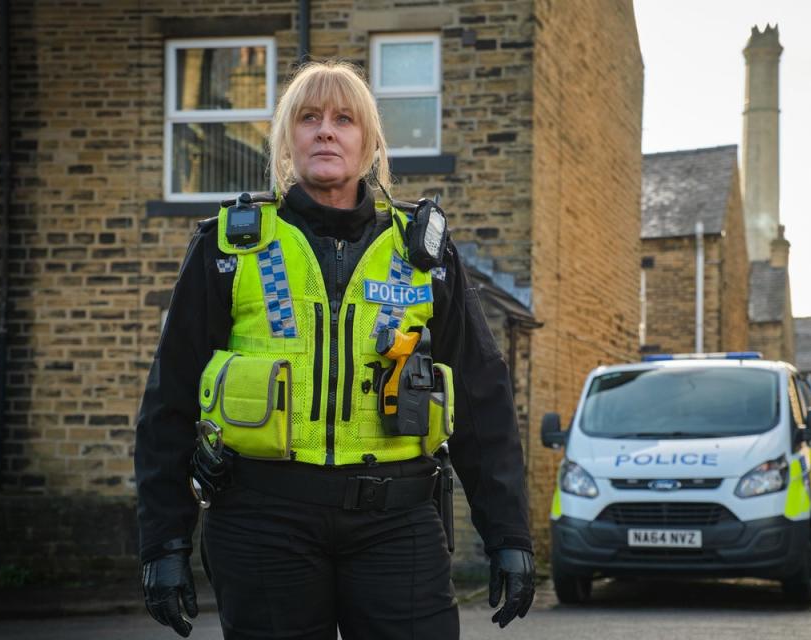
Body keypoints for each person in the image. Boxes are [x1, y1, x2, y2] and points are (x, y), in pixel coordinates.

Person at [134, 60, 534, 640]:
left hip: (397, 523)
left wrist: (508, 534)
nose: (326, 130)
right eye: (309, 118)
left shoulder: (421, 251)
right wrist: (164, 541)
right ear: (286, 140)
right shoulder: (227, 246)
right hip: (261, 520)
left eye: (344, 119)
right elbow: (169, 401)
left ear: (369, 144)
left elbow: (482, 395)